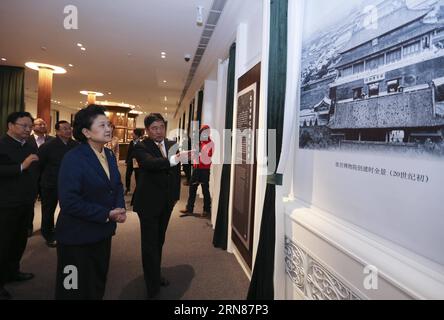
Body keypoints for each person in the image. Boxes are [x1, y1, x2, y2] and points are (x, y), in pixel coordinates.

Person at [55, 105, 127, 300]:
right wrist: (106, 214)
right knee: (73, 288)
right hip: (76, 236)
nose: (108, 129)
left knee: (96, 281)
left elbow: (117, 185)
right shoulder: (74, 158)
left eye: (109, 124)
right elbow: (69, 202)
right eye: (102, 125)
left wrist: (119, 207)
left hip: (102, 233)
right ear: (86, 132)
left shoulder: (109, 154)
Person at [133, 113, 191, 298]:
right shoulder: (141, 146)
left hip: (166, 203)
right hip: (148, 203)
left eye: (161, 127)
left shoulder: (172, 144)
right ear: (148, 130)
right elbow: (150, 164)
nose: (159, 131)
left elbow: (174, 174)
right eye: (154, 128)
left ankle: (155, 274)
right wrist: (174, 159)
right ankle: (152, 285)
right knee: (149, 244)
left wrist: (175, 197)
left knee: (159, 241)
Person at [0, 112, 39, 300]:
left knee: (19, 240)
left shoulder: (29, 145)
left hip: (25, 201)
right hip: (6, 204)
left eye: (29, 126)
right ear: (10, 125)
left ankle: (13, 271)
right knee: (4, 243)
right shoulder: (2, 144)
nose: (28, 129)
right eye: (23, 126)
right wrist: (21, 166)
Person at [38, 120, 79, 248]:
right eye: (65, 129)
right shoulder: (47, 146)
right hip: (50, 183)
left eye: (69, 128)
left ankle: (67, 231)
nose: (68, 131)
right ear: (57, 131)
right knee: (48, 210)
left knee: (69, 208)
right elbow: (40, 166)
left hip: (69, 183)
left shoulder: (76, 145)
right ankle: (48, 234)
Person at [27, 118, 54, 236]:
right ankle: (27, 227)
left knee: (48, 206)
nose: (43, 125)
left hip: (48, 177)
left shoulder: (52, 141)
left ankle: (47, 230)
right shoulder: (27, 140)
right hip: (30, 177)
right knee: (28, 204)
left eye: (44, 124)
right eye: (39, 124)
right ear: (33, 127)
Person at [180, 125, 214, 217]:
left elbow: (207, 156)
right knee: (192, 189)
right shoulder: (199, 142)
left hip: (204, 170)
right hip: (196, 169)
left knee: (205, 191)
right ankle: (189, 209)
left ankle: (207, 211)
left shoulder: (210, 143)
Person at [125, 128, 145, 195]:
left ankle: (138, 190)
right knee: (127, 175)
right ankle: (127, 188)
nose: (132, 135)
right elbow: (128, 152)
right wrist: (126, 161)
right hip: (130, 161)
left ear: (137, 135)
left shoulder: (142, 143)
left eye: (133, 134)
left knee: (137, 176)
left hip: (137, 162)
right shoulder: (131, 142)